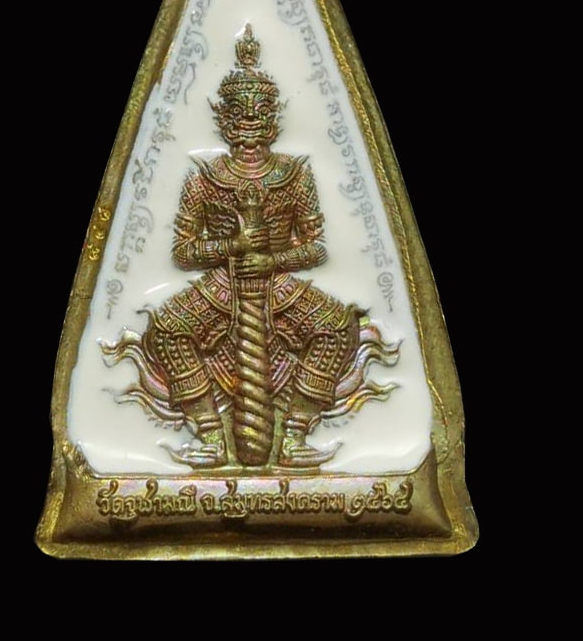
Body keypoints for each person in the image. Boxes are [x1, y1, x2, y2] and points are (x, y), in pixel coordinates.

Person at [108, 25, 395, 469]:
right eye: (239, 111)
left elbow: (316, 248)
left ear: (273, 117)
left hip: (277, 281)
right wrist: (233, 245)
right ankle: (209, 434)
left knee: (339, 328)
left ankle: (295, 432)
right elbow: (183, 252)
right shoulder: (205, 177)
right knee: (166, 330)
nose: (249, 119)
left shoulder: (293, 174)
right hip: (223, 284)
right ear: (223, 118)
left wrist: (272, 259)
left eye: (259, 110)